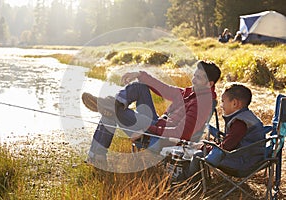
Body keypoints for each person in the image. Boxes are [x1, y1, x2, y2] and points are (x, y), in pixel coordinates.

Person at [82, 61, 221, 165]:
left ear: (209, 84)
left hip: (160, 138)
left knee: (113, 112)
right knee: (139, 88)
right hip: (158, 125)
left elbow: (182, 133)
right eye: (194, 75)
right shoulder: (191, 93)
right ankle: (113, 104)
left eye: (199, 78)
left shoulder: (202, 104)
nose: (194, 80)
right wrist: (139, 75)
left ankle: (97, 156)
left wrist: (147, 130)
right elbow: (165, 89)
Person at [187, 83, 266, 180]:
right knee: (204, 150)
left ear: (234, 103)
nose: (221, 105)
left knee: (198, 155)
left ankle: (194, 185)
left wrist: (205, 147)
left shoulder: (240, 122)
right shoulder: (246, 117)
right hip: (251, 158)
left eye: (223, 101)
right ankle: (203, 180)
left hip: (243, 163)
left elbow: (227, 147)